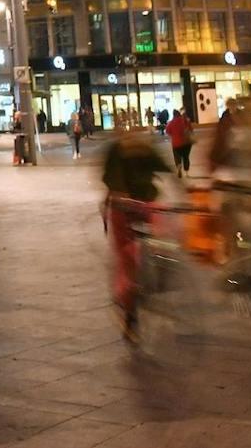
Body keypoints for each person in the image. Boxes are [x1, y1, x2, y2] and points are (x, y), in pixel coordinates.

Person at [101, 126, 172, 341]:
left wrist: (186, 190)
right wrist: (120, 196)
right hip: (122, 208)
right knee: (128, 259)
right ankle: (130, 316)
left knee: (163, 236)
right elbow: (113, 180)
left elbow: (166, 169)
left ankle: (161, 266)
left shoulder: (146, 150)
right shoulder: (115, 151)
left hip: (146, 203)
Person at [164, 109, 193, 176]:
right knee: (186, 157)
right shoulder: (185, 120)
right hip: (186, 142)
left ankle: (179, 165)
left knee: (177, 156)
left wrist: (173, 134)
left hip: (176, 143)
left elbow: (167, 131)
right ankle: (186, 172)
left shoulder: (171, 122)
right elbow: (191, 129)